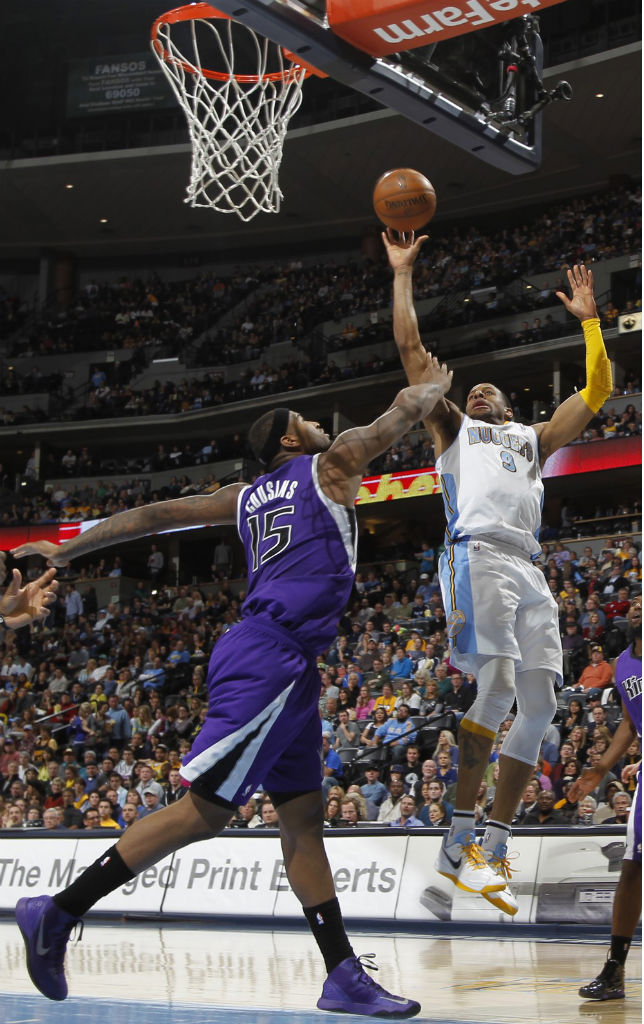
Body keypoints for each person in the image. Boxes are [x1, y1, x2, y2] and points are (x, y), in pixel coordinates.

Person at [12, 377, 454, 1018]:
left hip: (289, 664)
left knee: (303, 822)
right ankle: (58, 910)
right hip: (269, 656)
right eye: (306, 416)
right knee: (204, 812)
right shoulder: (328, 467)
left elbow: (154, 517)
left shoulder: (244, 497)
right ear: (289, 438)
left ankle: (342, 975)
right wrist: (428, 389)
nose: (318, 423)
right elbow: (395, 419)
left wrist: (70, 547)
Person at [384, 230, 613, 916]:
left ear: (509, 407)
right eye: (473, 388)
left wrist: (591, 322)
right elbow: (410, 356)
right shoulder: (456, 430)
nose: (478, 389)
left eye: (489, 389)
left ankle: (492, 841)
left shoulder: (530, 440)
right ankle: (455, 844)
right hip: (476, 553)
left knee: (540, 706)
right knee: (500, 686)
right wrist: (402, 275)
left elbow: (599, 389)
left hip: (530, 570)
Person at [570, 595, 641, 1001]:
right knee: (632, 866)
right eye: (633, 604)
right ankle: (614, 970)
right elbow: (630, 726)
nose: (637, 607)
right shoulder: (623, 665)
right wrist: (600, 768)